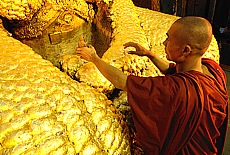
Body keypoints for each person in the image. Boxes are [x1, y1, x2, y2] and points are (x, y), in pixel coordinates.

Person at [76, 16, 229, 155]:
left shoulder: (176, 89)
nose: (164, 43)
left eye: (168, 39)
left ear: (186, 50)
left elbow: (122, 81)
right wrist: (150, 54)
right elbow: (172, 70)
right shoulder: (213, 68)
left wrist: (94, 58)